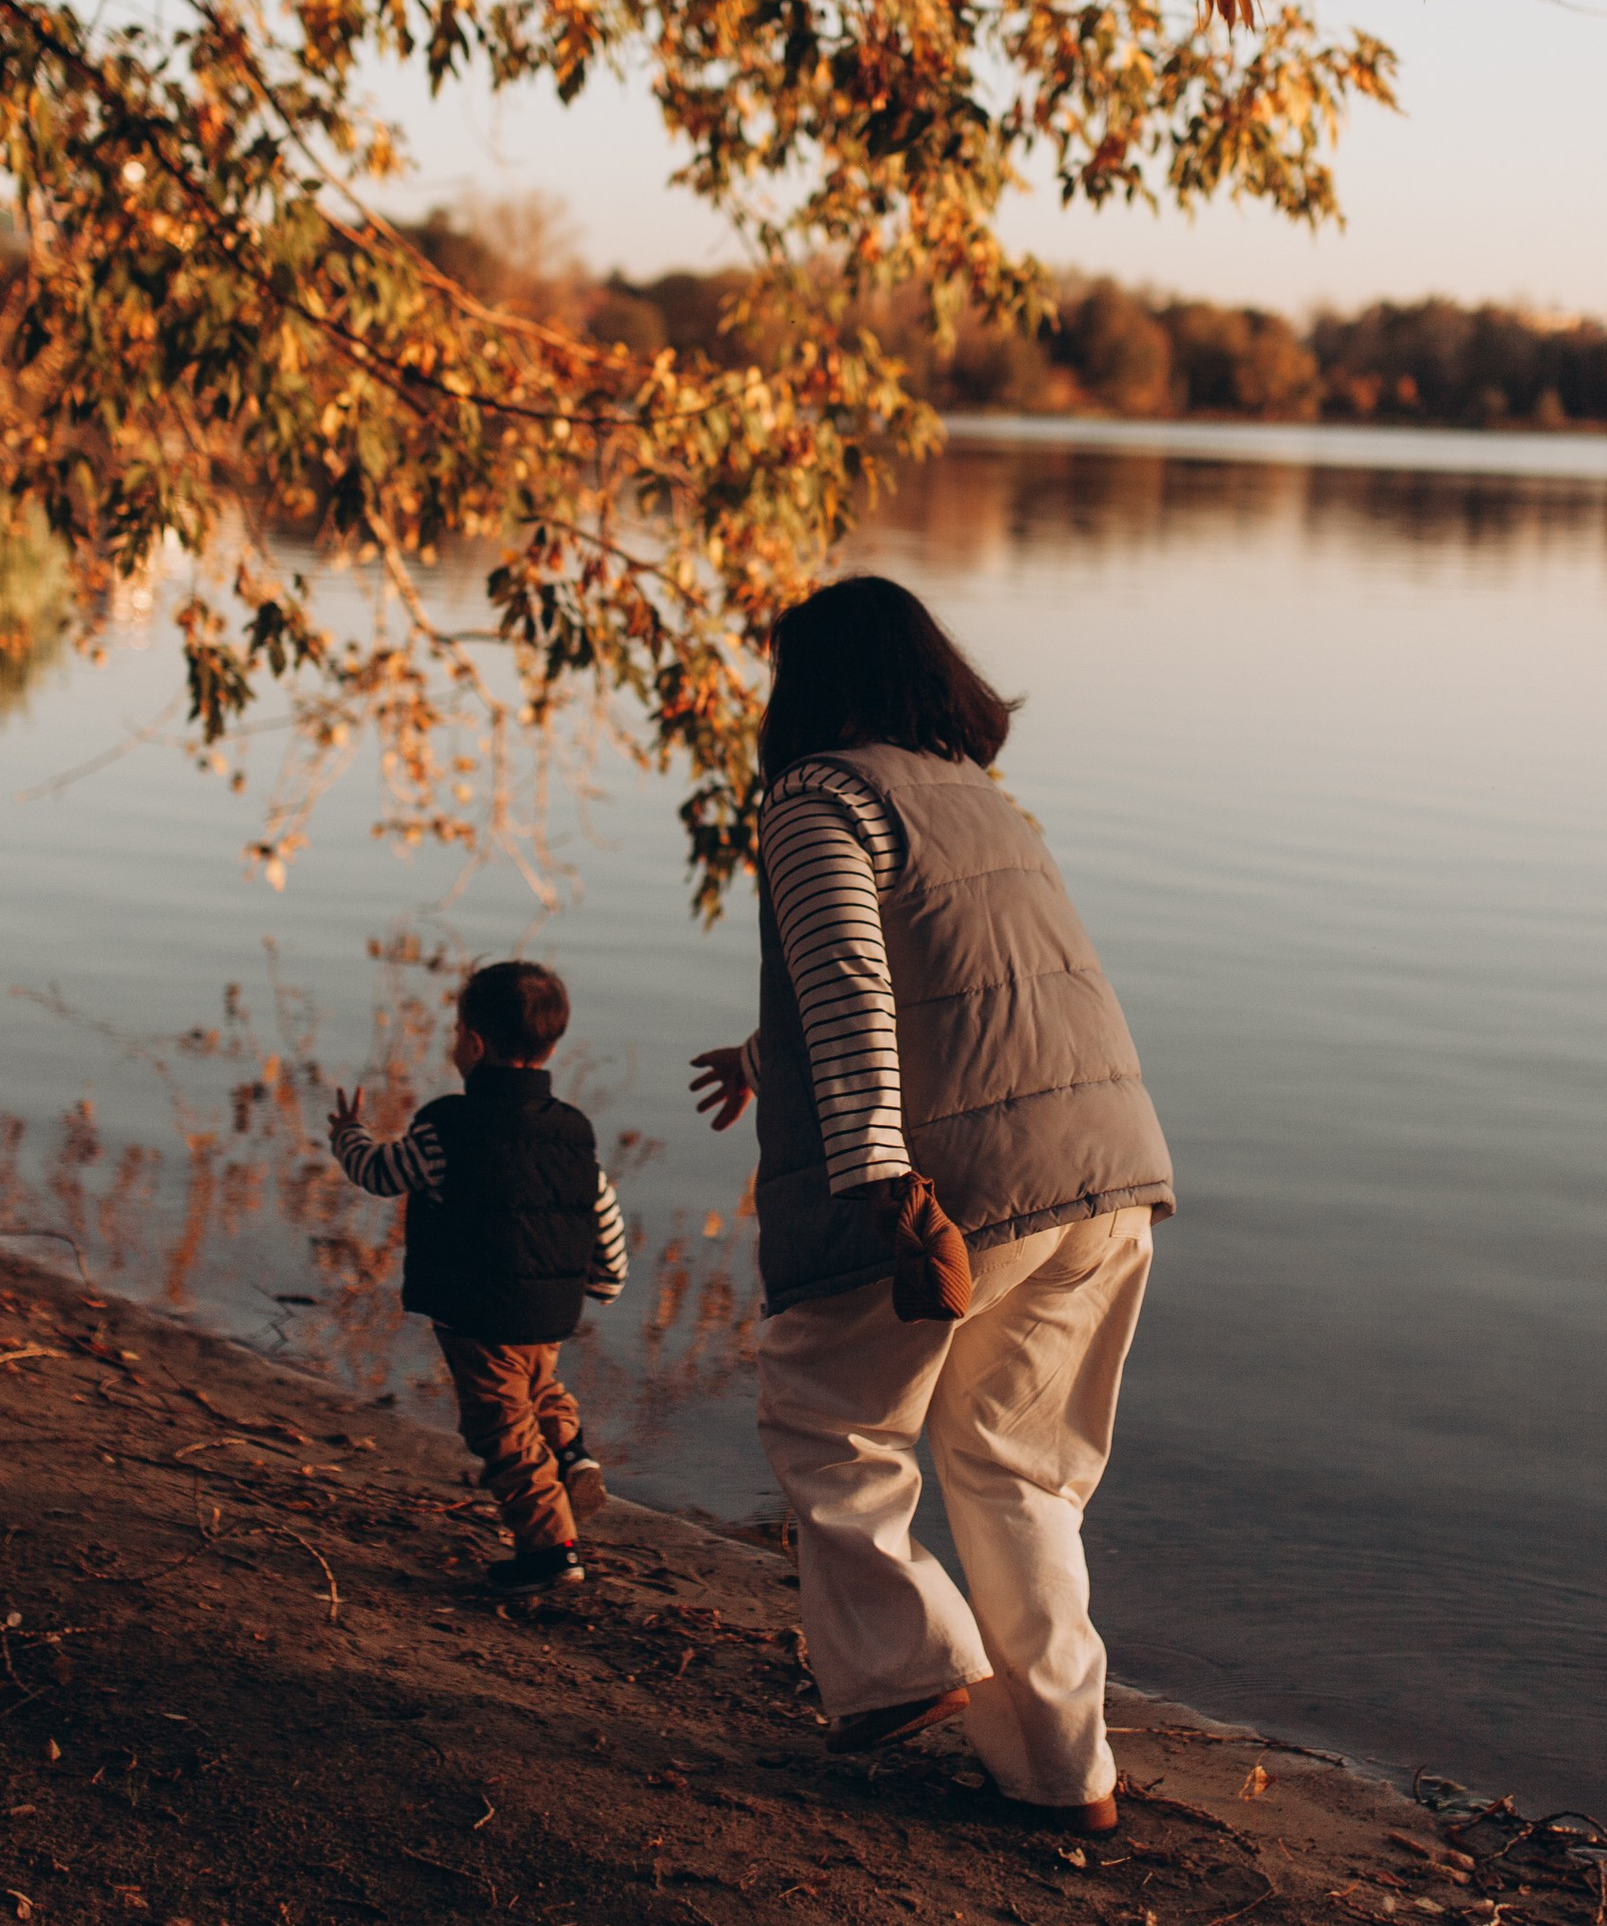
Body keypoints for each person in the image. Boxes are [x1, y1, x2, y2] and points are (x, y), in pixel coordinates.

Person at [692, 577, 1172, 1833]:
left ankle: (908, 1664)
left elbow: (853, 985)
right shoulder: (978, 799)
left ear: (809, 682)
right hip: (1105, 1165)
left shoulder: (818, 795)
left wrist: (880, 1182)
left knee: (826, 1418)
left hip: (961, 1181)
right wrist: (763, 1057)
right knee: (1016, 1474)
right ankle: (1064, 1777)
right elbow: (959, 981)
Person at [332, 957, 629, 1598]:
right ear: (552, 1046)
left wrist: (347, 1136)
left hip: (479, 1310)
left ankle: (551, 1551)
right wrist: (607, 1281)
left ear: (471, 1043)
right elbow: (600, 1208)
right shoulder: (573, 1131)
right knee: (538, 1386)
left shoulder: (446, 1126)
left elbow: (381, 1173)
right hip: (549, 1309)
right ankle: (571, 1455)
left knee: (501, 1428)